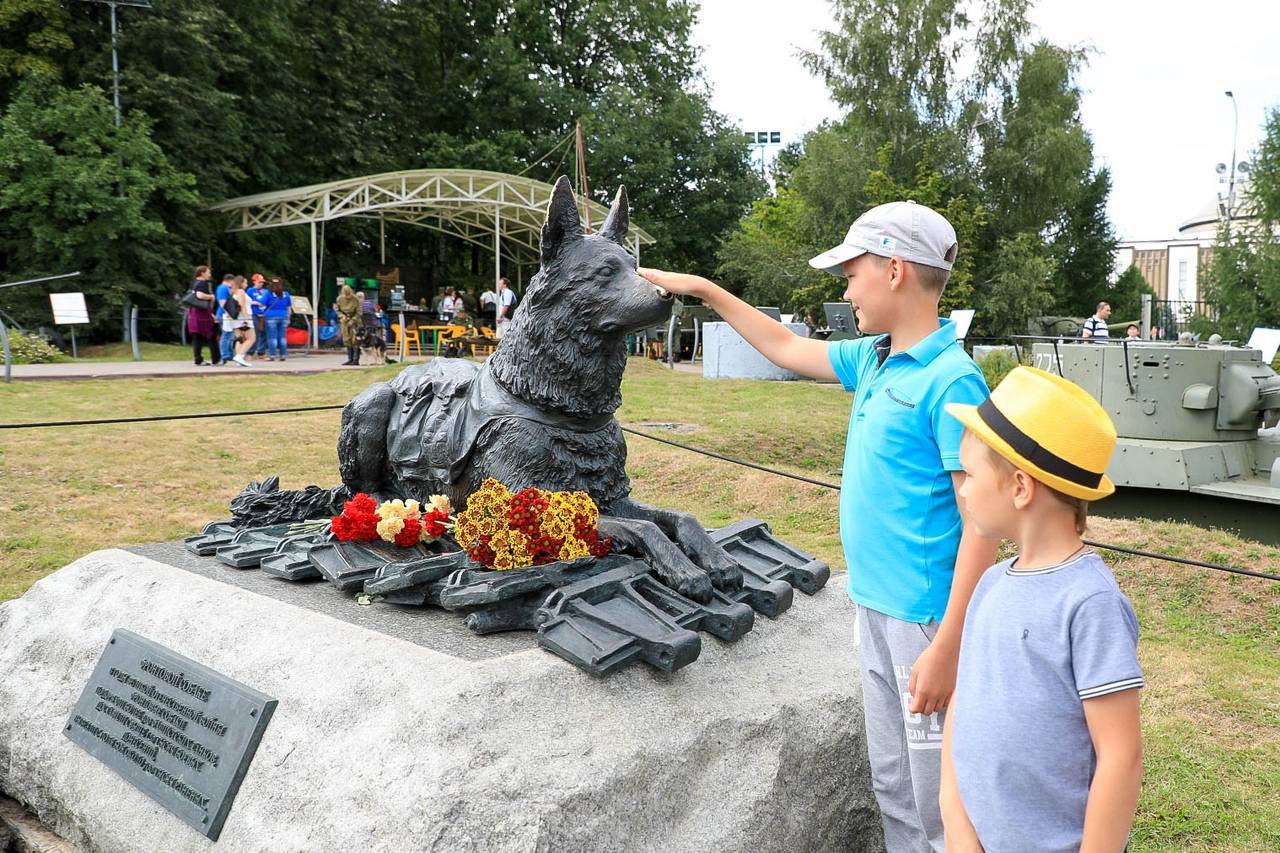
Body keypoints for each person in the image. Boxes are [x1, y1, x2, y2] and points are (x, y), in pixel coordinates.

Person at [641, 201, 999, 851]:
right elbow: (783, 344)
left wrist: (946, 644)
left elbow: (983, 522)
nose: (845, 286)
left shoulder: (952, 381)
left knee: (941, 797)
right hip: (874, 607)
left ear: (894, 270)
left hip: (925, 623)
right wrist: (705, 290)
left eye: (852, 270)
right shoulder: (874, 358)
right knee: (892, 781)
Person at [940, 366, 1143, 851]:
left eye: (971, 473)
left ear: (1019, 487)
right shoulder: (989, 583)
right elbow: (961, 708)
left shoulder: (1091, 604)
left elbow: (1121, 756)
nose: (962, 488)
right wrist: (956, 819)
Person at [186, 265, 219, 365]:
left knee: (197, 337)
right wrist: (211, 296)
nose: (209, 275)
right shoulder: (202, 284)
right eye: (208, 272)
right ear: (202, 273)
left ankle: (198, 359)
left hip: (193, 313)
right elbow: (199, 295)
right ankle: (216, 358)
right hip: (202, 314)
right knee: (211, 334)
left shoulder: (193, 283)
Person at [224, 276, 256, 367]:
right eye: (245, 283)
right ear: (241, 283)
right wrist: (246, 320)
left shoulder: (233, 292)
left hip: (235, 319)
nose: (246, 284)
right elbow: (242, 306)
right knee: (251, 338)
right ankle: (240, 356)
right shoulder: (241, 291)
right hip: (243, 318)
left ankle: (239, 359)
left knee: (240, 339)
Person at [263, 277, 292, 361]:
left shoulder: (268, 293)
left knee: (272, 337)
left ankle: (272, 356)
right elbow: (289, 307)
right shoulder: (286, 294)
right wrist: (289, 318)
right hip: (284, 316)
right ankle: (283, 356)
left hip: (271, 316)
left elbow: (262, 303)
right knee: (282, 337)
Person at [336, 284, 362, 365]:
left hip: (355, 321)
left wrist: (353, 320)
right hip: (345, 321)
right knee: (347, 340)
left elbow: (359, 312)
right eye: (346, 295)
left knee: (356, 340)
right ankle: (350, 359)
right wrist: (342, 316)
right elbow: (337, 310)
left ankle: (355, 360)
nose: (348, 297)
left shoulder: (356, 299)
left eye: (349, 294)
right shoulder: (339, 299)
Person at [215, 273, 236, 364]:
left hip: (226, 315)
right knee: (226, 335)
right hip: (224, 315)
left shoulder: (225, 288)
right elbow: (222, 303)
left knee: (229, 335)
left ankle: (229, 354)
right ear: (230, 281)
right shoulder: (223, 288)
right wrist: (229, 314)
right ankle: (224, 355)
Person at [247, 273, 270, 357]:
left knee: (265, 333)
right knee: (255, 333)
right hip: (255, 314)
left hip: (264, 314)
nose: (261, 283)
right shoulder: (250, 290)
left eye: (262, 282)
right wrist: (255, 303)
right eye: (259, 282)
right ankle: (250, 352)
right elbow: (246, 301)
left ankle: (261, 351)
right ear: (254, 282)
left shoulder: (265, 291)